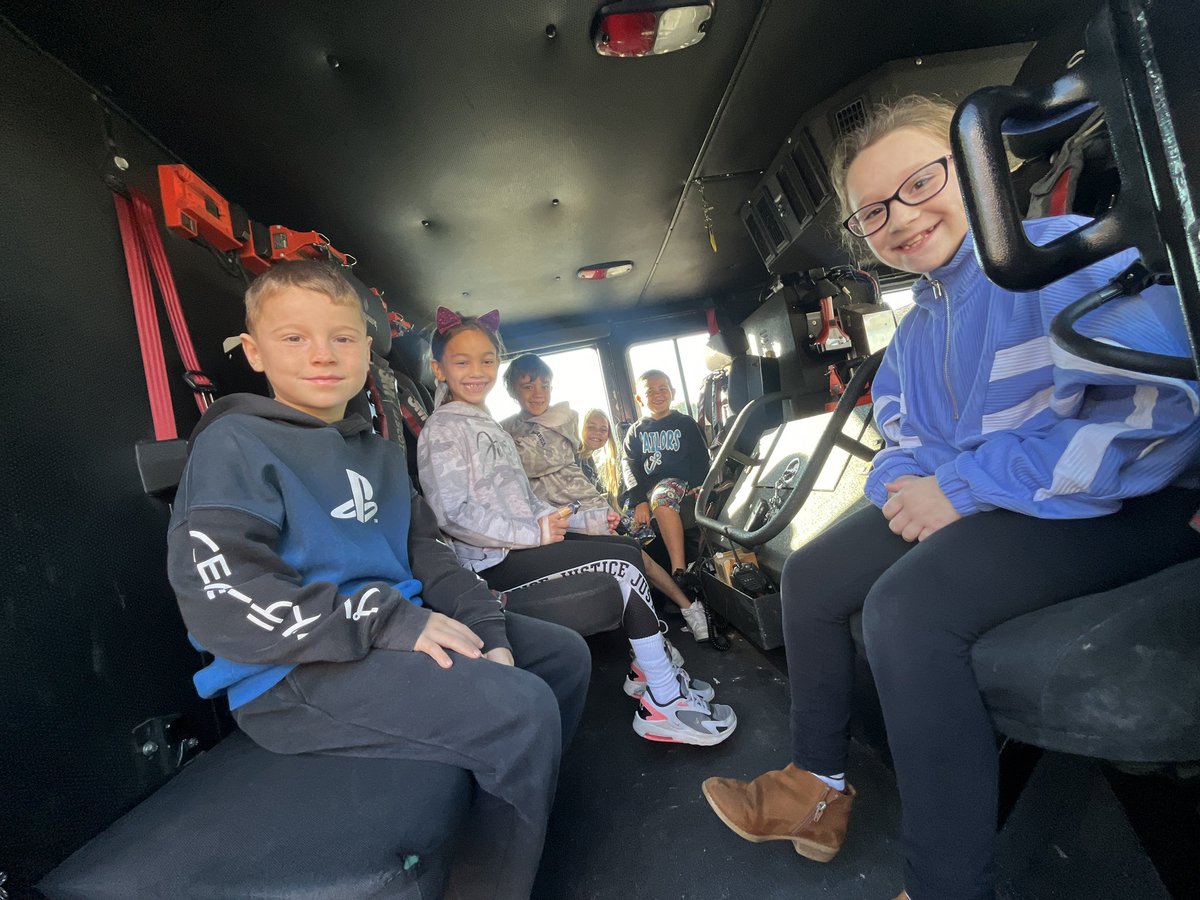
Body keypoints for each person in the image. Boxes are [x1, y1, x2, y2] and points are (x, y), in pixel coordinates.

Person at [699, 94, 1200, 900]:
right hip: (1007, 497)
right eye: (873, 211)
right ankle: (817, 788)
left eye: (922, 181)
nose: (901, 216)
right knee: (812, 578)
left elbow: (1159, 413)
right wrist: (907, 483)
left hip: (1137, 498)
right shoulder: (919, 322)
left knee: (907, 609)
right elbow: (906, 438)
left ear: (981, 168)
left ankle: (946, 886)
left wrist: (961, 489)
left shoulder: (1061, 255)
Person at [166, 261, 593, 899]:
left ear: (368, 351)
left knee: (561, 655)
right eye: (294, 338)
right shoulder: (235, 444)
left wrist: (485, 625)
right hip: (291, 674)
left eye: (342, 338)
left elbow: (428, 555)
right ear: (254, 353)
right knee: (522, 709)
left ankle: (513, 821)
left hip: (388, 633)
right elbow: (222, 594)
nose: (322, 356)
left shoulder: (376, 449)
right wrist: (387, 620)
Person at [416, 308, 736, 746]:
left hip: (519, 548)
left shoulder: (485, 425)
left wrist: (584, 519)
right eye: (462, 361)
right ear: (439, 368)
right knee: (622, 564)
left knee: (624, 550)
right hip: (491, 563)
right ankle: (664, 703)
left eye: (487, 360)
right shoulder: (443, 428)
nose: (477, 372)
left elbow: (528, 503)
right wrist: (534, 534)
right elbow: (451, 514)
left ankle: (651, 671)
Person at [499, 354, 711, 642]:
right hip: (546, 516)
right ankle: (647, 635)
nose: (538, 393)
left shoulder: (563, 418)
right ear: (512, 389)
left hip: (584, 507)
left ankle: (688, 606)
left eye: (545, 385)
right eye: (527, 386)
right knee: (625, 557)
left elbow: (540, 462)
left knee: (635, 556)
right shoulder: (504, 429)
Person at [621, 370, 711, 589]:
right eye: (650, 391)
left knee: (661, 499)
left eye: (663, 389)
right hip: (647, 488)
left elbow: (701, 459)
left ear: (673, 392)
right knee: (624, 529)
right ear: (639, 399)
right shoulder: (635, 432)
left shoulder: (685, 423)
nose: (658, 394)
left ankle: (679, 572)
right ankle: (652, 587)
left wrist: (702, 486)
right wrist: (639, 500)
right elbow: (629, 466)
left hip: (676, 482)